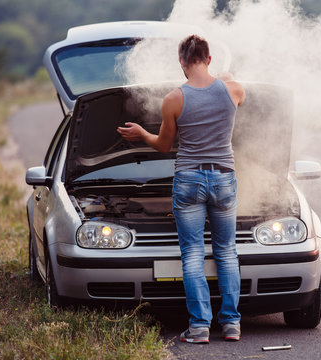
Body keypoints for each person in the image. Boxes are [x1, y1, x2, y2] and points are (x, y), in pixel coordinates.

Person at [117, 34, 245, 344]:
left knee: (192, 255)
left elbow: (163, 146)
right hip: (223, 177)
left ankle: (200, 327)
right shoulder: (232, 89)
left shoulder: (174, 99)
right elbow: (231, 81)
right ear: (209, 59)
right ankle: (231, 324)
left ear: (181, 62)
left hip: (188, 179)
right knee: (227, 252)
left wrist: (141, 133)